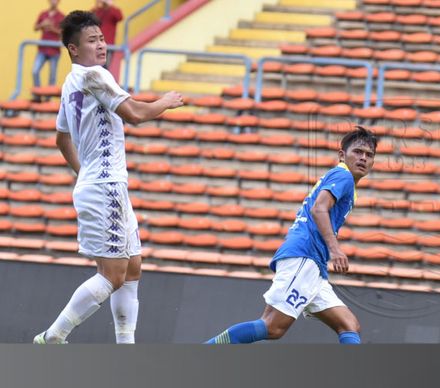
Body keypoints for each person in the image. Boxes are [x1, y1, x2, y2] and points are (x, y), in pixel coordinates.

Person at [33, 10, 183, 344]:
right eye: (92, 40)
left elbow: (61, 138)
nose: (101, 45)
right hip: (106, 186)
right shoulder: (94, 76)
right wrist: (166, 102)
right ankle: (54, 336)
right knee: (113, 275)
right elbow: (135, 114)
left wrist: (83, 172)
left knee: (132, 267)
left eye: (102, 38)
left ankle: (124, 349)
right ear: (73, 49)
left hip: (103, 183)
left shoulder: (70, 83)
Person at [205, 126, 378, 345]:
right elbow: (319, 209)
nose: (363, 158)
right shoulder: (343, 175)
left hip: (314, 264)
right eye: (358, 152)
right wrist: (335, 249)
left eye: (369, 155)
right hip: (305, 256)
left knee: (348, 324)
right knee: (272, 326)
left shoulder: (344, 181)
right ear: (342, 155)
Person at [33, 0, 65, 92]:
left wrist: (52, 28)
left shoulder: (61, 16)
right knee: (35, 71)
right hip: (42, 49)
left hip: (54, 50)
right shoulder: (43, 14)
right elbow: (35, 27)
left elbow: (63, 33)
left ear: (59, 1)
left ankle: (48, 99)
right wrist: (42, 25)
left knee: (52, 76)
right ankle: (37, 95)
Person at [91, 0, 123, 68]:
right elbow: (90, 19)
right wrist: (97, 5)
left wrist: (110, 5)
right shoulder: (97, 11)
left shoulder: (113, 11)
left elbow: (120, 17)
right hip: (95, 44)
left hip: (108, 46)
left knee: (104, 68)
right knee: (93, 67)